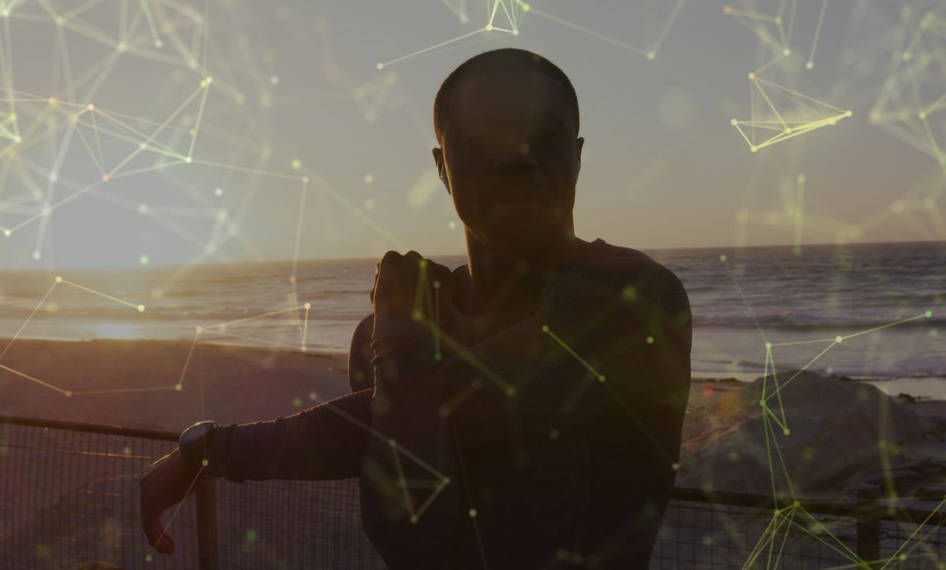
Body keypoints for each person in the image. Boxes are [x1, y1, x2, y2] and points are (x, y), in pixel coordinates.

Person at [140, 48, 692, 569]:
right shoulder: (383, 336)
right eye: (478, 141)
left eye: (542, 137)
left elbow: (441, 413)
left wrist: (212, 450)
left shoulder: (637, 300)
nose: (513, 161)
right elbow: (408, 537)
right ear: (441, 166)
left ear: (576, 154)